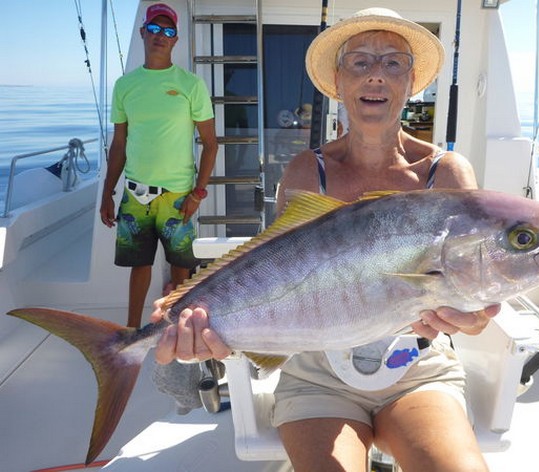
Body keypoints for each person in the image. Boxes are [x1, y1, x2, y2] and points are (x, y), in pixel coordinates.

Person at [151, 8, 499, 471]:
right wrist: (208, 326)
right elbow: (277, 279)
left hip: (417, 366)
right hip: (316, 371)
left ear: (412, 81)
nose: (376, 74)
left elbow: (472, 302)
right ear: (338, 81)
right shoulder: (305, 171)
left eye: (393, 62)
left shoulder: (447, 173)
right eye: (360, 61)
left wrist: (471, 320)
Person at [100, 3, 218, 328]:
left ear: (175, 39)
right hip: (135, 195)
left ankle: (178, 329)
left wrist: (197, 194)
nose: (160, 36)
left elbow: (211, 144)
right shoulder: (124, 85)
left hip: (178, 196)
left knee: (181, 267)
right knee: (139, 266)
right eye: (154, 28)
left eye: (167, 31)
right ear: (143, 32)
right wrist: (108, 192)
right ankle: (131, 331)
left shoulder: (191, 84)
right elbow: (119, 143)